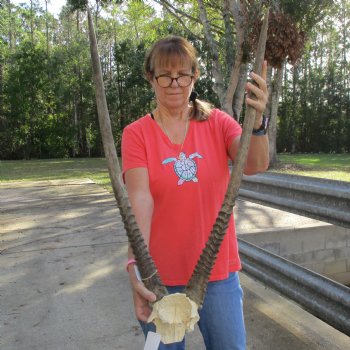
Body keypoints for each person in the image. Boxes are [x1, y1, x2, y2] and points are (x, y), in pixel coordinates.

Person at [122, 36, 269, 350]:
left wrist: (258, 124)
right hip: (158, 279)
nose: (174, 84)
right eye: (165, 75)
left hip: (217, 274)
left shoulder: (218, 123)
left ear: (195, 75)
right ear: (151, 77)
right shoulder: (136, 134)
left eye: (183, 75)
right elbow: (140, 200)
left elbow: (255, 164)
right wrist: (135, 268)